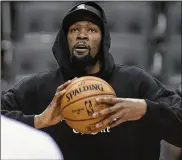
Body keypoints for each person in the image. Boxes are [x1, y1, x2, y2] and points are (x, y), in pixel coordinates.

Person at [1, 2, 181, 160]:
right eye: (74, 30)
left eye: (92, 29)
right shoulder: (39, 86)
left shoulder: (136, 82)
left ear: (103, 40)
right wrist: (37, 120)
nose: (82, 35)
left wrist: (147, 110)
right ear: (65, 40)